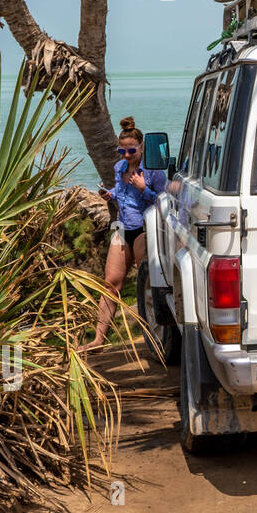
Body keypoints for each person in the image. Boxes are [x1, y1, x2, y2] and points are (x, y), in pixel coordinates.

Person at [82, 117, 168, 352]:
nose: (127, 155)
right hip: (122, 228)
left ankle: (156, 338)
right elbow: (120, 192)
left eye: (131, 150)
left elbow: (164, 201)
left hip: (143, 229)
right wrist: (109, 194)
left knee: (147, 286)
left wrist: (144, 188)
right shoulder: (118, 168)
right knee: (110, 285)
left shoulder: (154, 171)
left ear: (141, 147)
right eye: (122, 150)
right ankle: (99, 340)